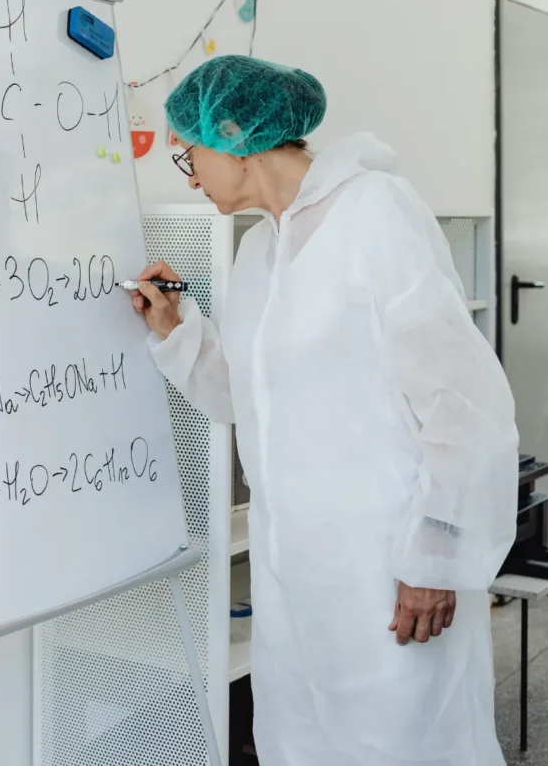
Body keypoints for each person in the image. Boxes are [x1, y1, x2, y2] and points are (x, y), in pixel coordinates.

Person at [131, 55, 519, 766]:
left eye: (189, 156)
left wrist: (435, 559)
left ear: (232, 135)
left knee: (402, 744)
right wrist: (176, 328)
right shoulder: (259, 250)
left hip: (385, 569)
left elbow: (464, 403)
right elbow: (246, 397)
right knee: (301, 742)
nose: (189, 176)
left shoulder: (374, 213)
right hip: (293, 575)